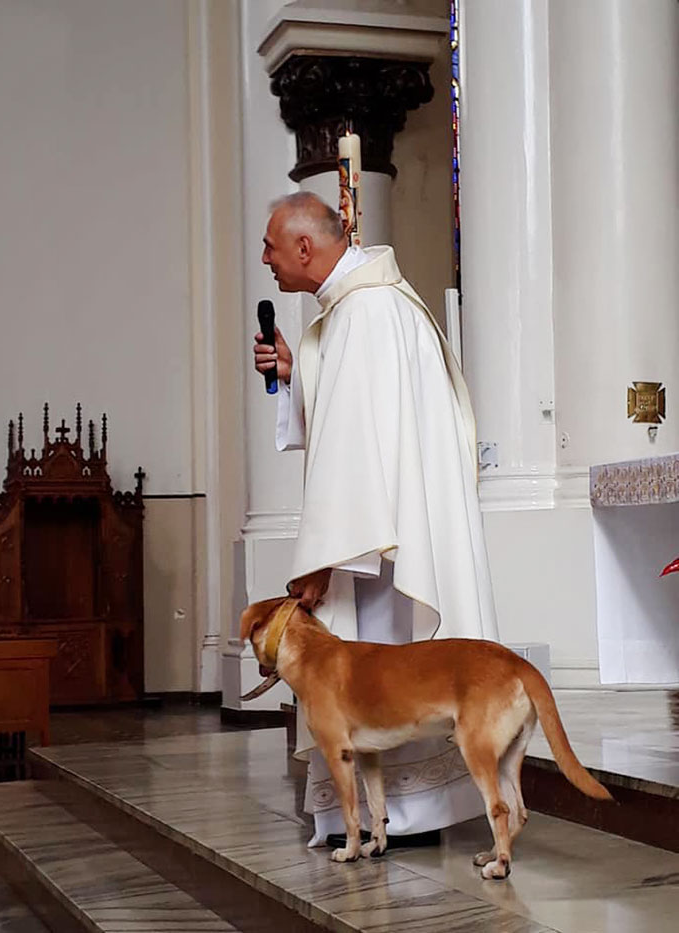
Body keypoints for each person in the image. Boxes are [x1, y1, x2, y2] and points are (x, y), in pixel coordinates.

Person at [254, 191, 498, 848]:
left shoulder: (365, 312)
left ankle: (399, 816)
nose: (265, 260)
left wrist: (323, 557)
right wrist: (291, 368)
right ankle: (390, 813)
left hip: (380, 541)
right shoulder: (364, 307)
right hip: (389, 524)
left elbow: (353, 448)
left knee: (385, 667)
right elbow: (347, 414)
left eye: (272, 247)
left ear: (305, 248)